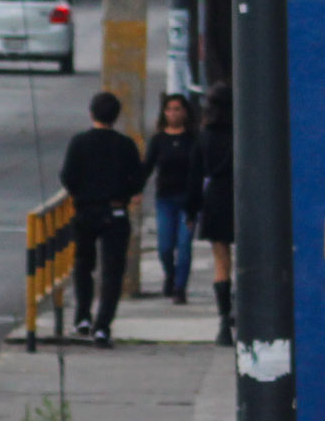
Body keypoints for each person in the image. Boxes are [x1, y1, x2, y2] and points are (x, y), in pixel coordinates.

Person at [58, 91, 147, 346]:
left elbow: (68, 177)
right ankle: (103, 326)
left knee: (84, 265)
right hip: (115, 212)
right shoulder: (125, 145)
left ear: (91, 113)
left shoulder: (79, 142)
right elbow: (138, 179)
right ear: (116, 116)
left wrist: (81, 193)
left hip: (85, 211)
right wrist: (125, 194)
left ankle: (82, 317)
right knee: (112, 271)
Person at [147, 94, 203, 302]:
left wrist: (196, 201)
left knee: (185, 246)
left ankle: (180, 288)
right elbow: (148, 166)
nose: (173, 113)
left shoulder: (193, 140)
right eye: (169, 109)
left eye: (178, 109)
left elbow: (199, 171)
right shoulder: (159, 140)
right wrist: (134, 189)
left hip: (188, 201)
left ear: (185, 112)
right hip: (165, 200)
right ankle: (170, 275)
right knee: (165, 247)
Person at [196, 85, 236, 344]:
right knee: (247, 260)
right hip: (243, 197)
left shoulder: (205, 136)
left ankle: (223, 319)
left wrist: (191, 209)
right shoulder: (243, 132)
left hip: (215, 198)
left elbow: (194, 174)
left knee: (221, 261)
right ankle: (242, 309)